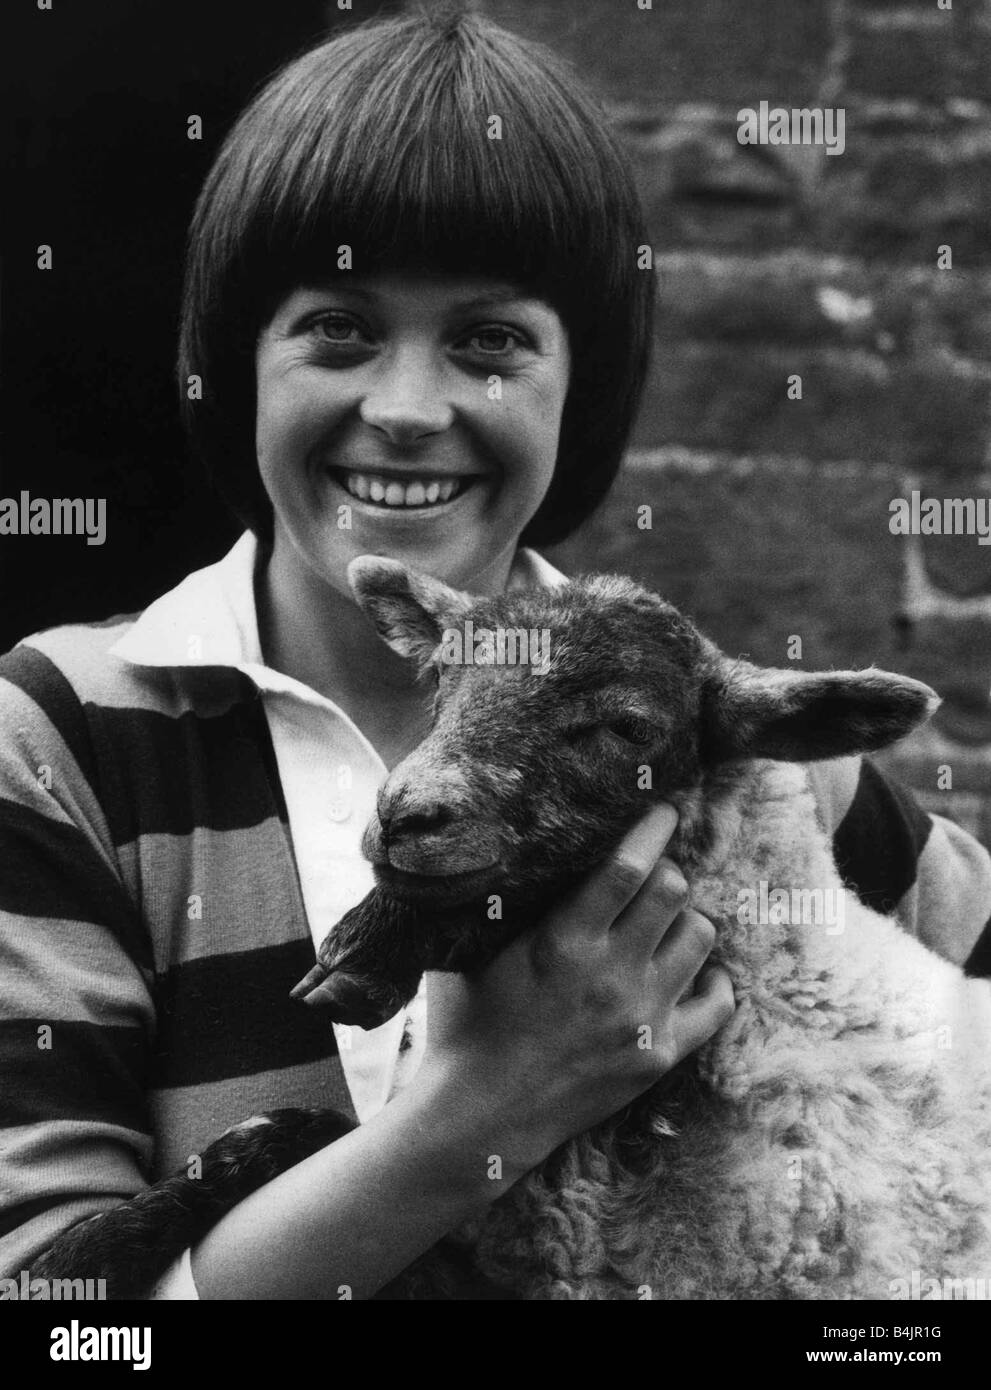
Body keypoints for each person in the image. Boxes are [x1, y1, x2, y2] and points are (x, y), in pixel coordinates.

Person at [1, 7, 989, 1301]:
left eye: (487, 340)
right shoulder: (65, 739)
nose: (406, 410)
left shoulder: (735, 755)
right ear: (235, 361)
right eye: (339, 328)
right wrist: (479, 1113)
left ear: (582, 379)